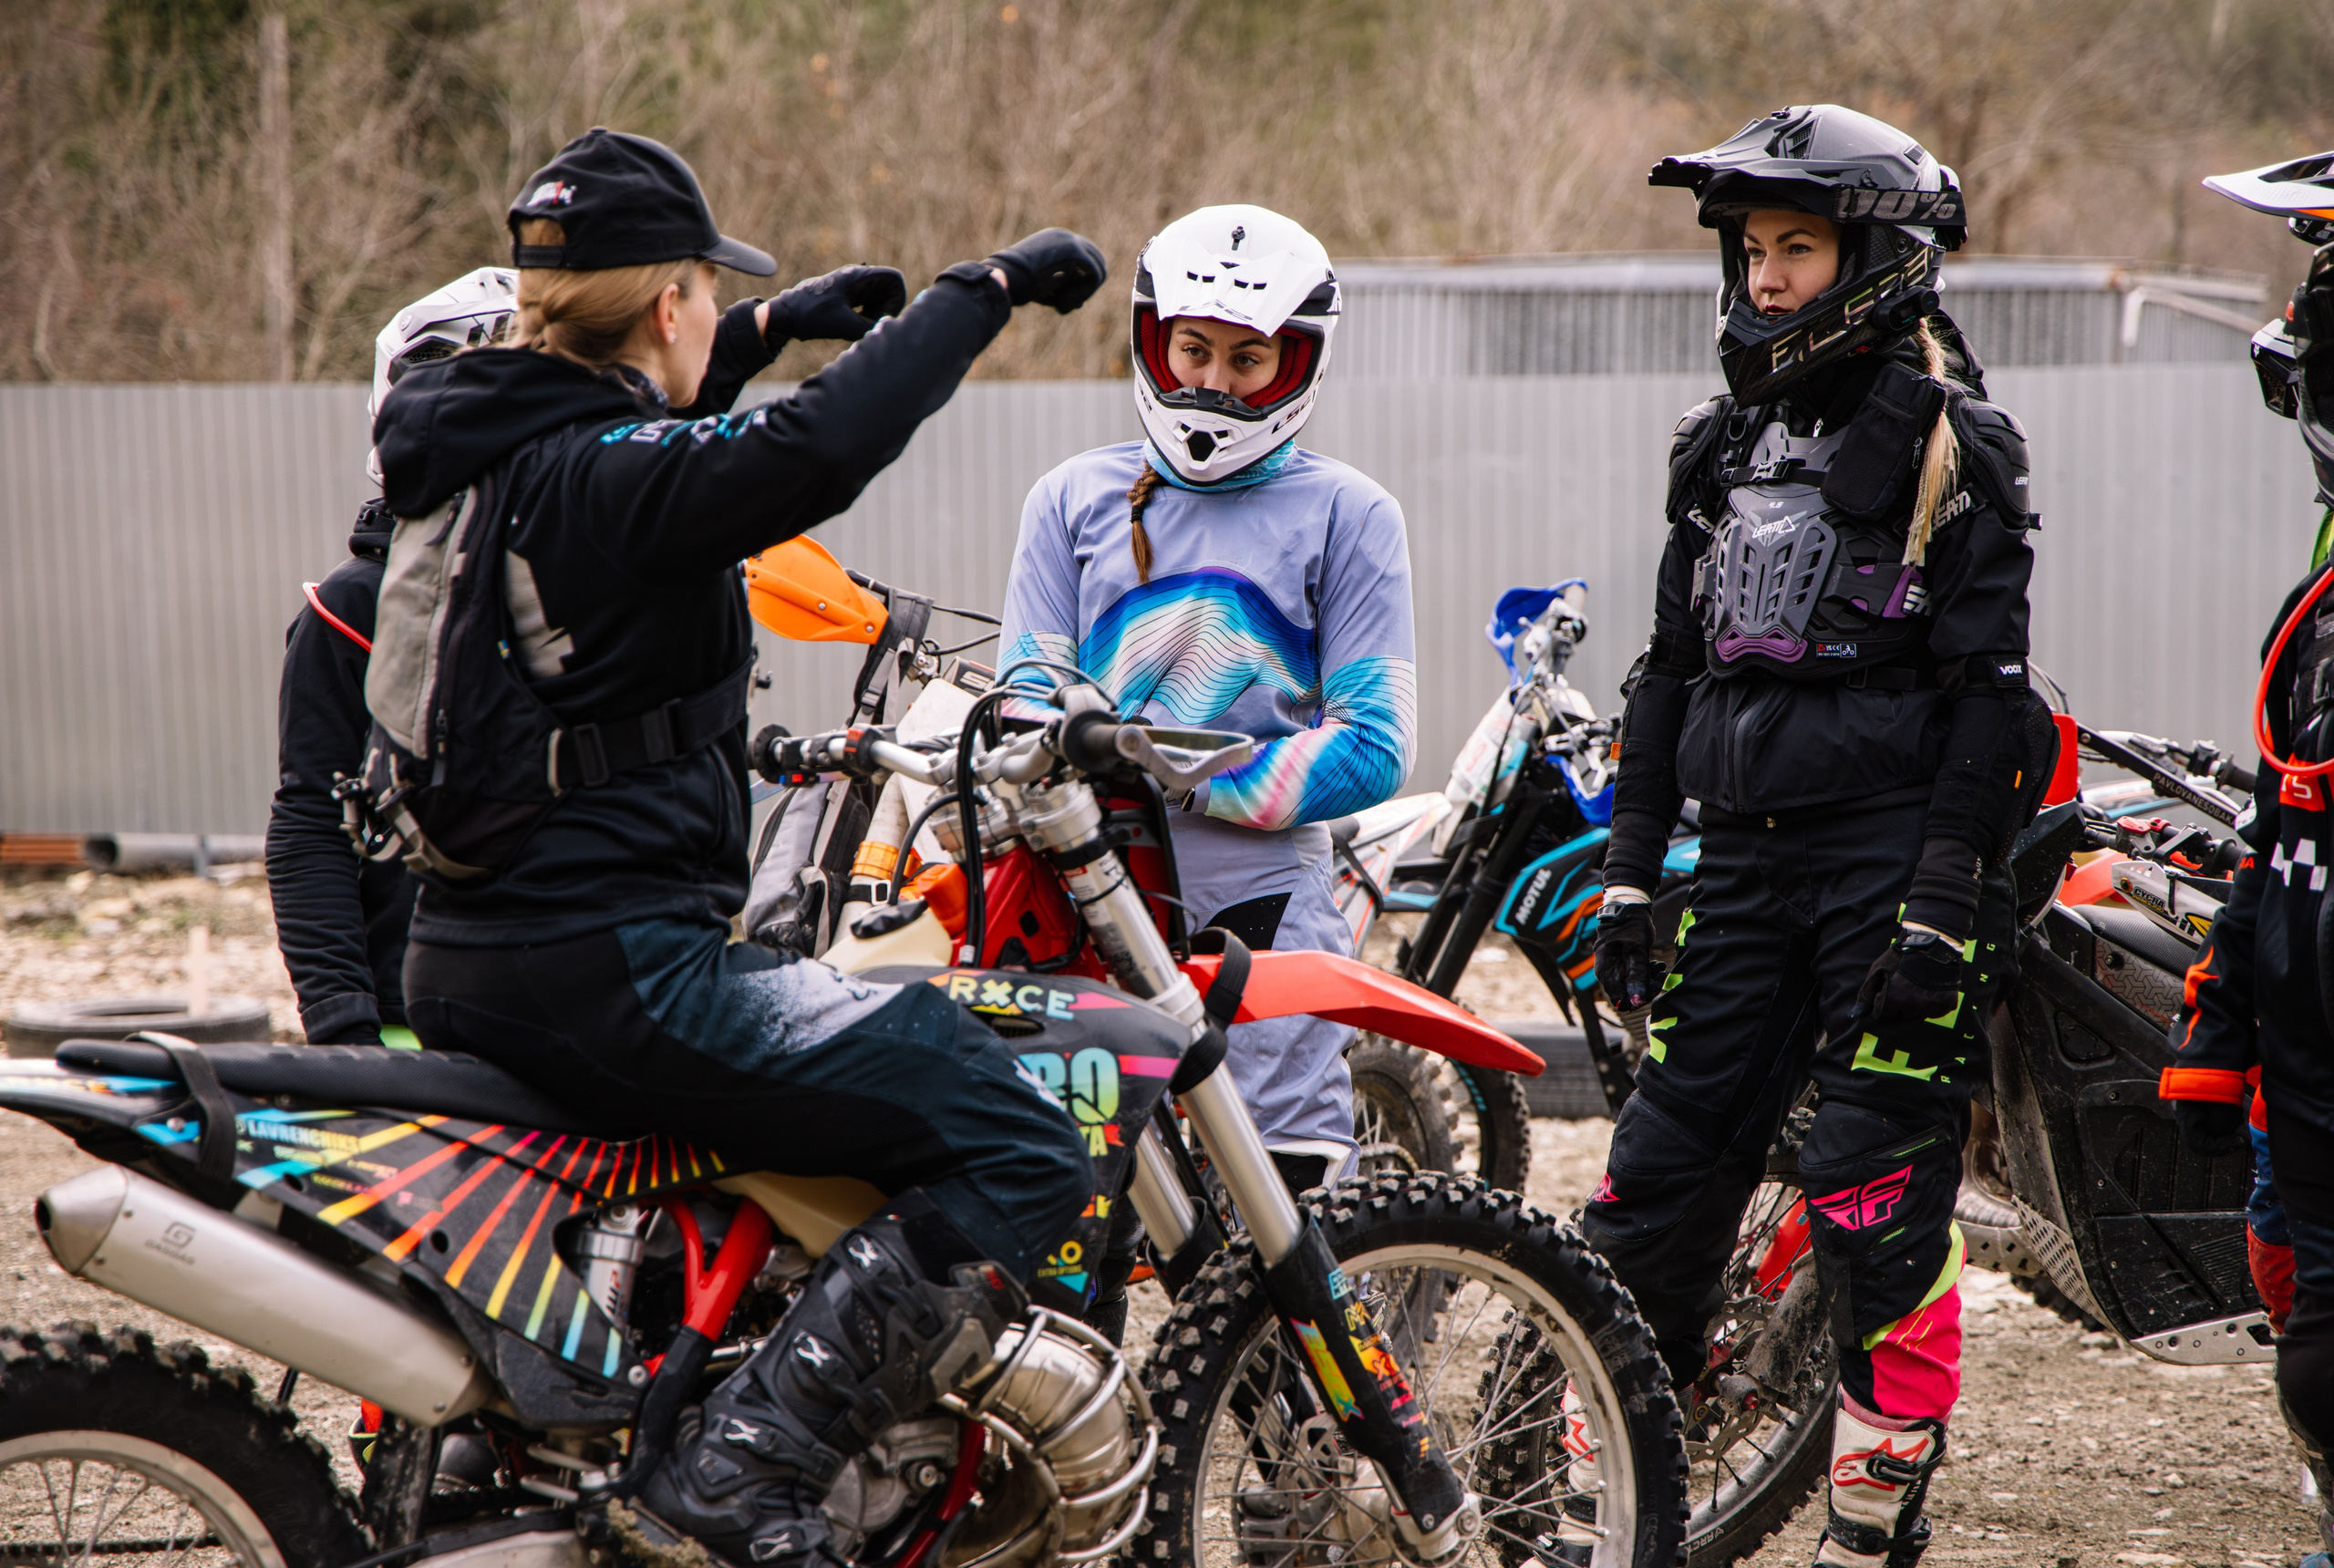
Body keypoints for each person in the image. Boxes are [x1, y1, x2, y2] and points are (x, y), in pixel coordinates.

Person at [369, 126, 1108, 1568]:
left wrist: (779, 322)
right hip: (613, 969)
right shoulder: (599, 474)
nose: (722, 314)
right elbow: (799, 456)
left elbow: (658, 437)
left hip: (467, 952)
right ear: (665, 305)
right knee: (1021, 1136)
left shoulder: (485, 432)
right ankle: (739, 1474)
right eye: (714, 291)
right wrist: (985, 289)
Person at [1585, 106, 2045, 1568]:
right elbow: (1667, 675)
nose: (1767, 278)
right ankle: (1617, 1510)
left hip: (1892, 866)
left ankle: (1868, 1535)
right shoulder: (1719, 444)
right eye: (1753, 250)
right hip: (1740, 862)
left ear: (1877, 256)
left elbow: (1993, 705)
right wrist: (1624, 868)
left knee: (1867, 1189)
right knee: (1655, 1182)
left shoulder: (1959, 442)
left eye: (1798, 246)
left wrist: (1939, 900)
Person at [997, 203, 1417, 1198]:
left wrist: (1169, 775)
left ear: (1297, 363)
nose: (1212, 383)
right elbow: (1021, 701)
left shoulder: (1349, 514)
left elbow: (1375, 745)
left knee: (1280, 1190)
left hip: (1260, 905)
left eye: (1246, 360)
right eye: (1193, 350)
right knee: (1076, 1195)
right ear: (1154, 340)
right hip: (1080, 887)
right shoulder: (1069, 499)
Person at [2164, 150, 2334, 1568]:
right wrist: (2224, 1016)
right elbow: (2286, 821)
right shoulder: (2317, 600)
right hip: (2301, 1008)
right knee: (2301, 1303)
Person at [266, 270, 515, 1049]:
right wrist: (344, 1025)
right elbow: (310, 819)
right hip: (410, 1021)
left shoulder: (589, 586)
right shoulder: (354, 610)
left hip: (581, 1015)